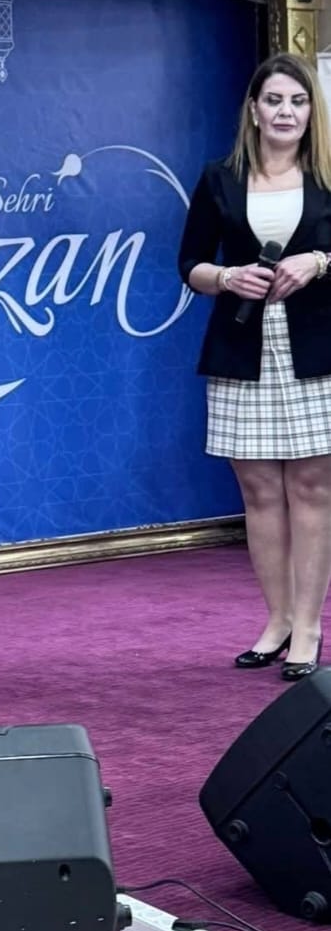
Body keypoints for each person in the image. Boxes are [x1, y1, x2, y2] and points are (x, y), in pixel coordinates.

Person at [178, 53, 331, 680]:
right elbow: (189, 264)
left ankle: (310, 627)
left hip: (317, 352)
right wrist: (227, 277)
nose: (285, 112)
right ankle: (278, 621)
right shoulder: (219, 178)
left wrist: (319, 261)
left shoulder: (328, 178)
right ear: (254, 109)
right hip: (242, 349)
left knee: (312, 489)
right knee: (260, 493)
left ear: (311, 111)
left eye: (297, 101)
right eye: (274, 100)